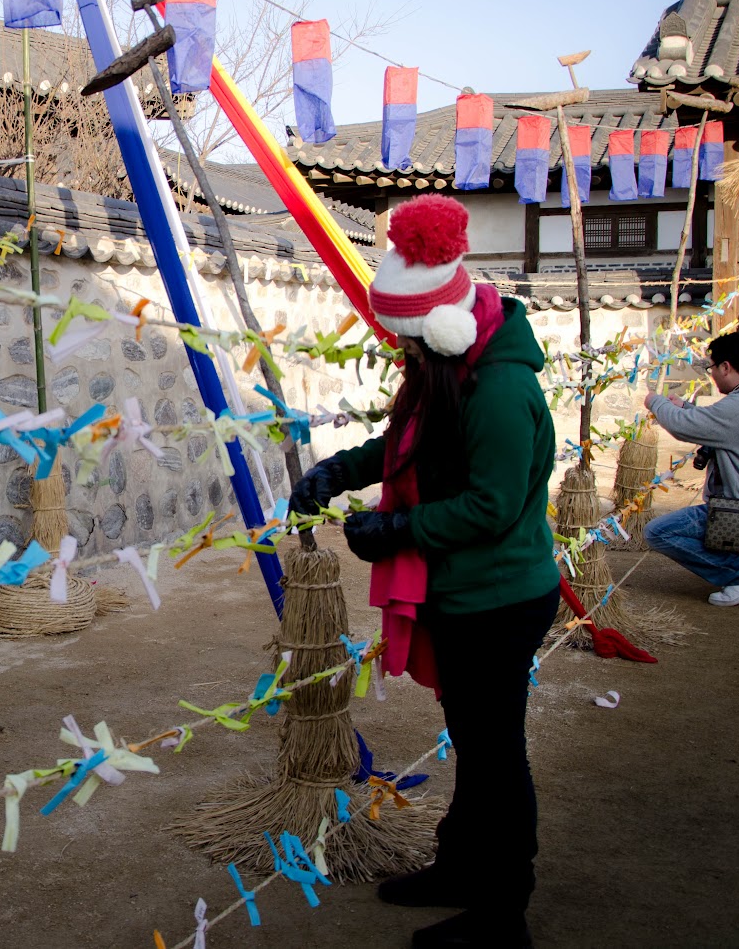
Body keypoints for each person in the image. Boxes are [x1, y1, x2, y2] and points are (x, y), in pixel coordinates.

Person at [289, 194, 558, 949]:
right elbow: (407, 443)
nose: (402, 357)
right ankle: (461, 865)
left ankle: (503, 908)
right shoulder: (450, 368)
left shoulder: (500, 389)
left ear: (439, 331)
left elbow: (492, 505)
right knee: (473, 739)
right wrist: (337, 470)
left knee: (496, 753)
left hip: (500, 598)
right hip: (462, 593)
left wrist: (400, 526)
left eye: (408, 346)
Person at [642, 331, 739, 607]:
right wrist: (687, 407)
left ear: (726, 367)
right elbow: (718, 424)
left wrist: (655, 401)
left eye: (712, 367)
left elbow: (683, 427)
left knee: (658, 532)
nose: (711, 374)